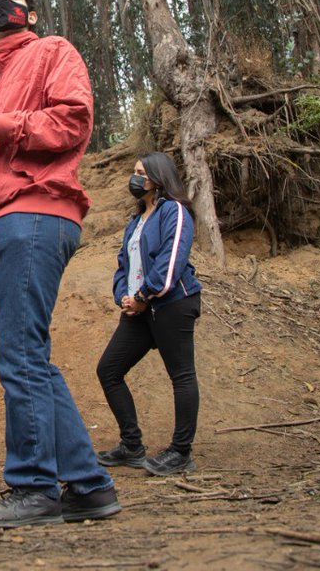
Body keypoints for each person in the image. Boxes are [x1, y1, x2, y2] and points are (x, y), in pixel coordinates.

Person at [0, 0, 120, 529]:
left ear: (31, 13)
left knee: (18, 357)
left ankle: (34, 486)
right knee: (28, 357)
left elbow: (72, 121)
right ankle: (88, 486)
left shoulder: (53, 51)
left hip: (36, 214)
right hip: (3, 221)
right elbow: (1, 158)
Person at [96, 152, 203, 476]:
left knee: (181, 375)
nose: (135, 178)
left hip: (172, 304)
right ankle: (132, 446)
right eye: (134, 172)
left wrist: (145, 295)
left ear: (158, 177)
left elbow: (171, 261)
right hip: (139, 310)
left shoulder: (176, 211)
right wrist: (125, 298)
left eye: (141, 172)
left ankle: (181, 452)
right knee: (109, 370)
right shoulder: (135, 220)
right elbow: (122, 267)